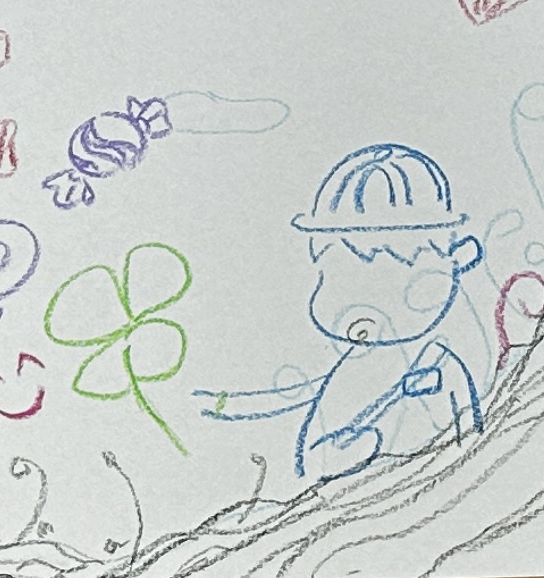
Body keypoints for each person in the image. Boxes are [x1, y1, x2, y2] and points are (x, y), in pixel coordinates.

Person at [199, 143, 488, 479]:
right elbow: (300, 400)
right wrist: (224, 404)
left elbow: (469, 442)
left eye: (389, 276)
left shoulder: (439, 365)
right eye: (334, 276)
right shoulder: (357, 364)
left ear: (454, 262)